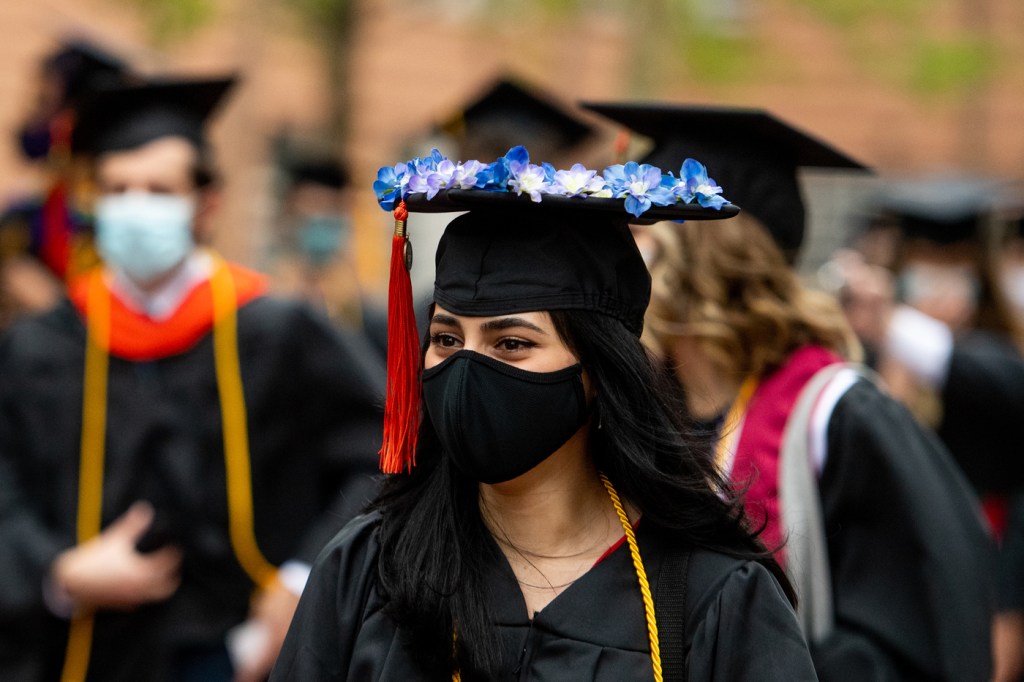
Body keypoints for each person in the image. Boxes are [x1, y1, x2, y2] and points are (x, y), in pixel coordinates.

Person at [271, 146, 818, 680]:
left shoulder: (713, 596)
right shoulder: (368, 566)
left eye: (511, 343)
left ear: (599, 372)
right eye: (445, 338)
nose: (466, 369)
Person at [582, 103, 997, 680]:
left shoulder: (835, 414)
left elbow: (923, 619)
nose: (619, 253)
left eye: (640, 231)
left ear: (708, 254)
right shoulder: (638, 407)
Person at [0, 75, 385, 681]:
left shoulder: (278, 332)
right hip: (72, 650)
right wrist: (56, 572)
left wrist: (305, 578)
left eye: (159, 189)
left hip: (237, 654)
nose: (136, 207)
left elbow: (382, 449)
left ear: (207, 203)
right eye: (117, 189)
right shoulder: (42, 343)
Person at [831, 179, 1024, 682]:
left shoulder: (996, 358)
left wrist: (898, 326)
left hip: (988, 574)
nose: (941, 285)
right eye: (926, 266)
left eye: (956, 268)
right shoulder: (864, 358)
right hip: (885, 580)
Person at [0, 39, 135, 328]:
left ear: (73, 119)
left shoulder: (112, 209)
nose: (37, 114)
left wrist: (54, 306)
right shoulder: (39, 199)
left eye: (47, 100)